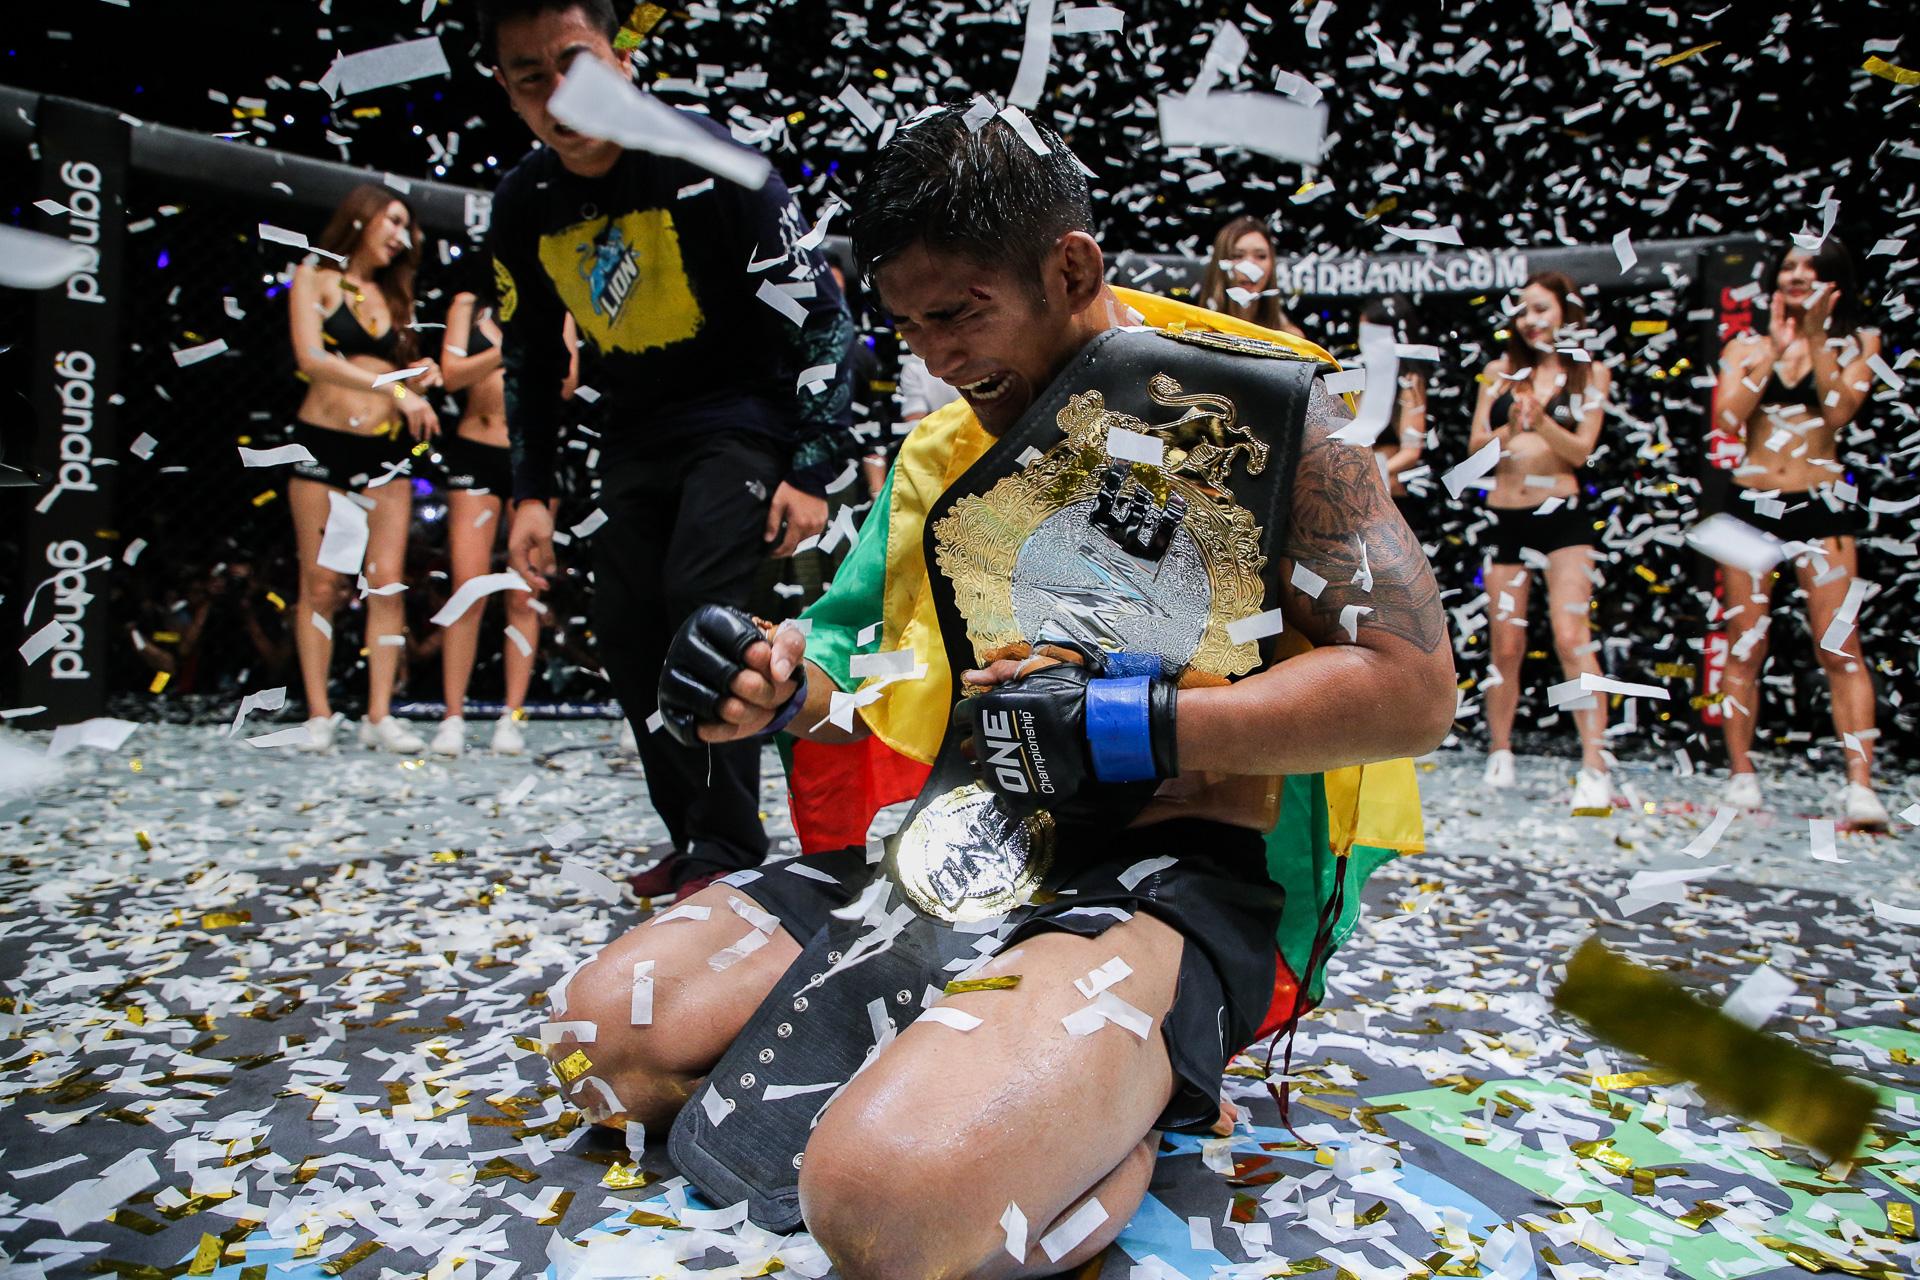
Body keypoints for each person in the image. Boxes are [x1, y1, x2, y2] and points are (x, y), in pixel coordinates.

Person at [540, 107, 1449, 1277]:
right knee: (597, 1042)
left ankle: (1113, 1104)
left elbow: (1415, 690)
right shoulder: (942, 450)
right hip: (950, 847)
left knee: (886, 1210)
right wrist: (773, 683)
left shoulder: (1261, 416)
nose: (938, 360)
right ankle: (987, 1086)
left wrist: (1130, 718)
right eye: (910, 326)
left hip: (1160, 881)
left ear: (1071, 266)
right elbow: (853, 659)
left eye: (959, 314)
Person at [480, 0, 856, 896]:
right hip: (632, 436)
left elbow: (825, 316)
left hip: (745, 423)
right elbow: (528, 357)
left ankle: (730, 850)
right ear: (506, 89)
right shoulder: (526, 201)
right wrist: (529, 493)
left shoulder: (711, 157)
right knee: (628, 631)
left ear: (621, 54)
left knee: (703, 608)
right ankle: (693, 837)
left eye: (573, 62)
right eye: (528, 77)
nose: (558, 94)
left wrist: (811, 465)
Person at [1709, 238, 1889, 826]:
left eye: (1811, 268)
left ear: (1834, 279)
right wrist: (1775, 351)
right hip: (1751, 502)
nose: (1797, 275)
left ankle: (1860, 786)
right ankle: (1741, 775)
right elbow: (1729, 418)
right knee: (1744, 643)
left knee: (1839, 645)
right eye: (1789, 266)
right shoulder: (1747, 346)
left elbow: (1838, 411)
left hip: (1820, 501)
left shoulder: (1858, 343)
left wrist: (1812, 339)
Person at [283, 184, 442, 754]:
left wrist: (419, 375)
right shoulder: (315, 275)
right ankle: (320, 715)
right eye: (393, 221)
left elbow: (406, 371)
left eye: (407, 229)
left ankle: (379, 714)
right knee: (321, 584)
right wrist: (395, 388)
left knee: (387, 584)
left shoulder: (397, 296)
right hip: (323, 444)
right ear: (363, 216)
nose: (401, 236)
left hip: (387, 453)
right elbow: (312, 359)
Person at [1468, 270, 1614, 812]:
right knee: (1506, 644)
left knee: (1572, 635)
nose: (1531, 320)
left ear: (1566, 315)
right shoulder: (1498, 373)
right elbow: (1476, 448)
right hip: (1510, 515)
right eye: (1524, 310)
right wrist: (1513, 424)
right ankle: (1500, 749)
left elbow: (1582, 451)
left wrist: (1540, 420)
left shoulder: (1589, 375)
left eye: (1543, 310)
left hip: (1565, 518)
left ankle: (1595, 763)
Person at [428, 289, 574, 757]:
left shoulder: (555, 302)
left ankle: (510, 716)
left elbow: (567, 380)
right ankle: (453, 716)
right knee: (467, 586)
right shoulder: (468, 305)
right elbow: (451, 376)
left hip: (531, 454)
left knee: (524, 591)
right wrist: (513, 349)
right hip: (474, 448)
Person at [1357, 293, 1429, 535]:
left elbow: (1411, 451)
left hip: (1391, 496)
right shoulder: (1358, 378)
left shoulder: (1409, 382)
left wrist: (1370, 472)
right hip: (1356, 498)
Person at [1196, 214, 1305, 338]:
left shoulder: (1291, 339)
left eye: (1261, 256)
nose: (1250, 268)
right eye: (1237, 256)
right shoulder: (1196, 332)